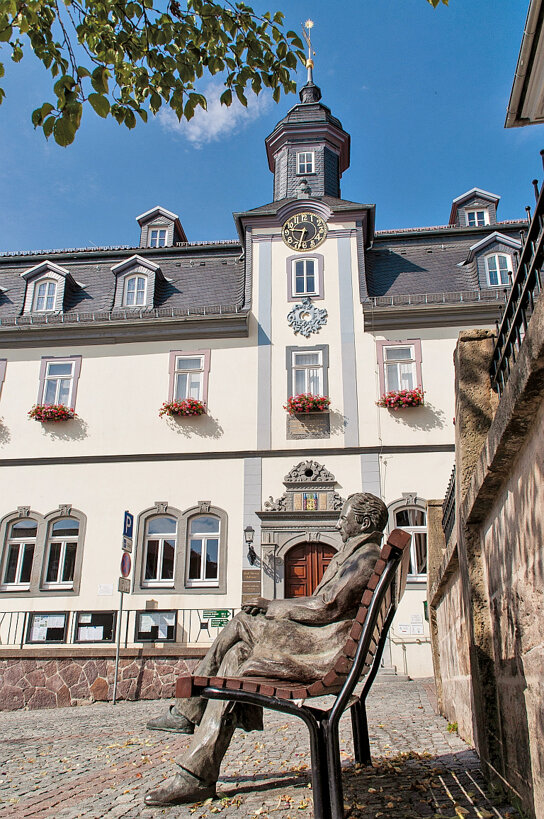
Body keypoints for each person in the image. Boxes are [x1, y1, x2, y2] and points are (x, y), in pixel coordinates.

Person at [144, 492, 388, 806]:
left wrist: (271, 605)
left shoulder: (365, 557)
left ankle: (187, 712)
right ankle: (196, 775)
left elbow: (325, 606)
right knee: (237, 657)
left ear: (365, 522)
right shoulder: (356, 553)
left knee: (244, 620)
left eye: (344, 517)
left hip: (323, 653)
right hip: (324, 645)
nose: (338, 522)